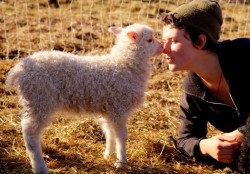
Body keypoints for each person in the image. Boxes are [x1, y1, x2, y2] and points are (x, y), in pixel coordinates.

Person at [160, 0, 250, 168]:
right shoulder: (193, 87)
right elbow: (185, 138)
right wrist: (205, 146)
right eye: (164, 41)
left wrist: (242, 134)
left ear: (200, 41)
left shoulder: (245, 55)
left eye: (173, 41)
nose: (164, 49)